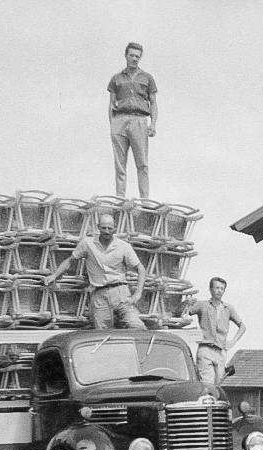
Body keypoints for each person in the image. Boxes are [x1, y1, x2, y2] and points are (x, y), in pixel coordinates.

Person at [45, 212, 146, 329]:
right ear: (98, 227)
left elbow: (140, 269)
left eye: (110, 228)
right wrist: (54, 275)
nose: (107, 231)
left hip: (120, 292)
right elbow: (70, 260)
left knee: (136, 325)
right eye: (104, 228)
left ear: (115, 228)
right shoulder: (88, 243)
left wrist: (138, 293)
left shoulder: (123, 246)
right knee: (102, 332)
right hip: (99, 294)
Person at [107, 42, 158, 198]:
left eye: (137, 56)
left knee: (142, 163)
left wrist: (153, 124)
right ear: (126, 56)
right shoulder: (116, 78)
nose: (135, 59)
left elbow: (153, 102)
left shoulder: (147, 78)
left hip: (139, 120)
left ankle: (145, 200)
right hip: (120, 120)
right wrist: (113, 125)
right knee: (120, 164)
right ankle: (120, 198)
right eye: (132, 55)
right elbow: (111, 103)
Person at [184, 277, 246, 385]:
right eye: (217, 288)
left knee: (218, 385)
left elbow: (242, 326)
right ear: (210, 289)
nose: (219, 291)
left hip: (221, 351)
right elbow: (184, 312)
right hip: (206, 349)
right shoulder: (202, 305)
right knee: (207, 383)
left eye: (222, 288)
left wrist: (232, 342)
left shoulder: (228, 308)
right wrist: (186, 303)